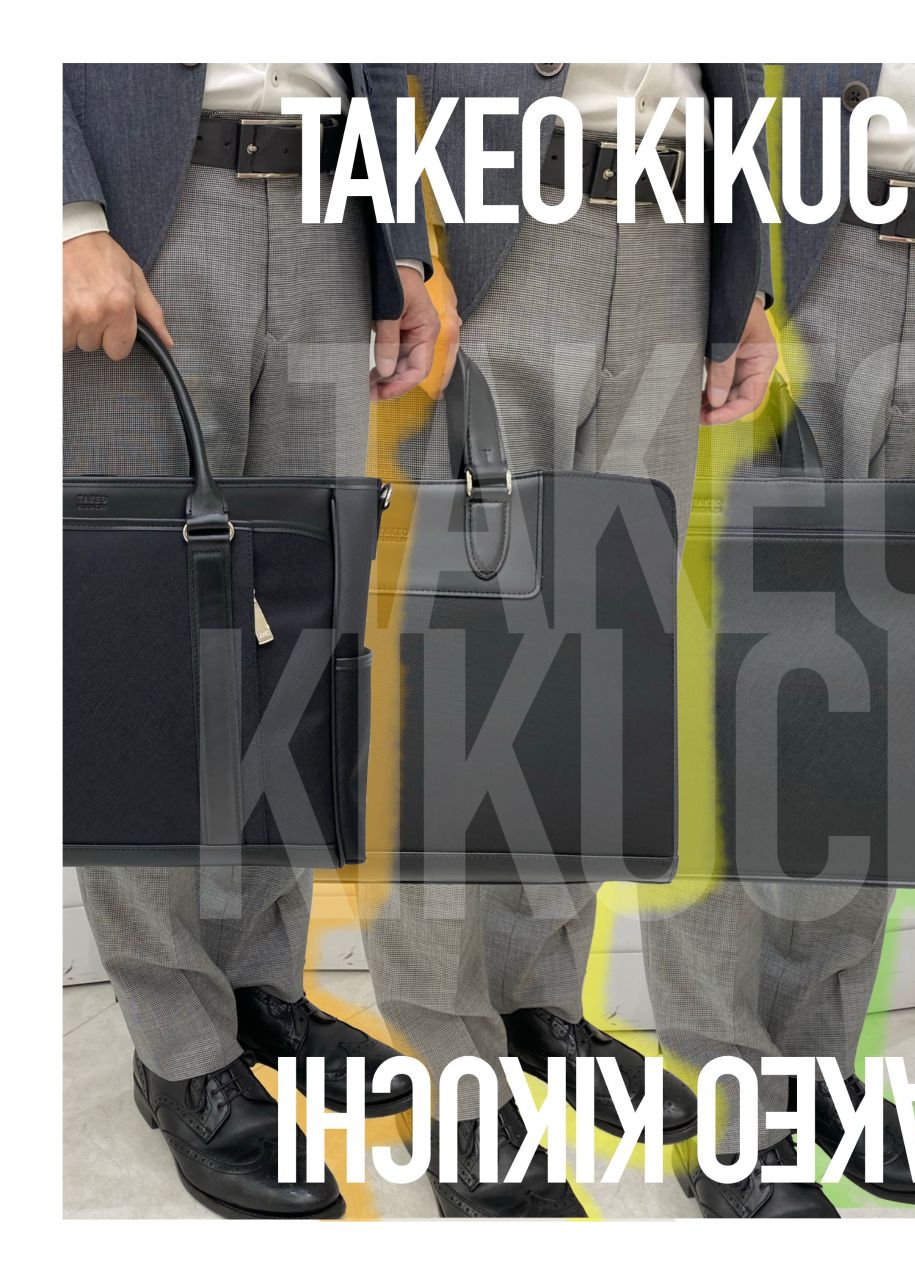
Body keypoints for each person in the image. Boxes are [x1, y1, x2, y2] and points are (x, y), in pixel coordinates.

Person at [644, 63, 915, 1217]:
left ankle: (813, 1067)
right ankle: (725, 1106)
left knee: (886, 705)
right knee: (738, 692)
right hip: (797, 261)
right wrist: (727, 276)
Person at [359, 62, 777, 1218]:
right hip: (496, 226)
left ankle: (536, 994)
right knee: (457, 666)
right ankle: (451, 1065)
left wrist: (738, 278)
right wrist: (398, 248)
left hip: (675, 231)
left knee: (599, 658)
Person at [62, 62, 445, 1219]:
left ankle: (257, 986)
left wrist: (397, 249)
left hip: (333, 211)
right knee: (144, 636)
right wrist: (60, 210)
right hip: (153, 209)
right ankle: (179, 1045)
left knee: (297, 634)